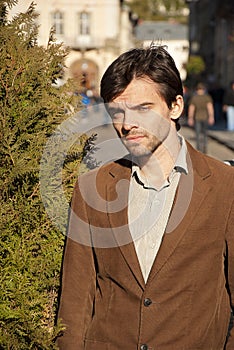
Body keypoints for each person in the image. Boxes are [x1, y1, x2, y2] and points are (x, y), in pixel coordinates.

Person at [57, 45, 234, 349]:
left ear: (175, 107)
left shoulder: (225, 186)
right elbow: (75, 301)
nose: (127, 125)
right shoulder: (92, 188)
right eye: (117, 112)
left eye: (143, 108)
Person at [187, 82, 215, 153]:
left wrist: (190, 118)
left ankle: (198, 149)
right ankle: (205, 147)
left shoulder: (194, 98)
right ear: (204, 89)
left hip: (197, 118)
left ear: (197, 90)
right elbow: (210, 108)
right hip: (205, 117)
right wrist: (211, 117)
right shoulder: (207, 97)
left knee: (198, 134)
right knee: (205, 133)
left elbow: (191, 109)